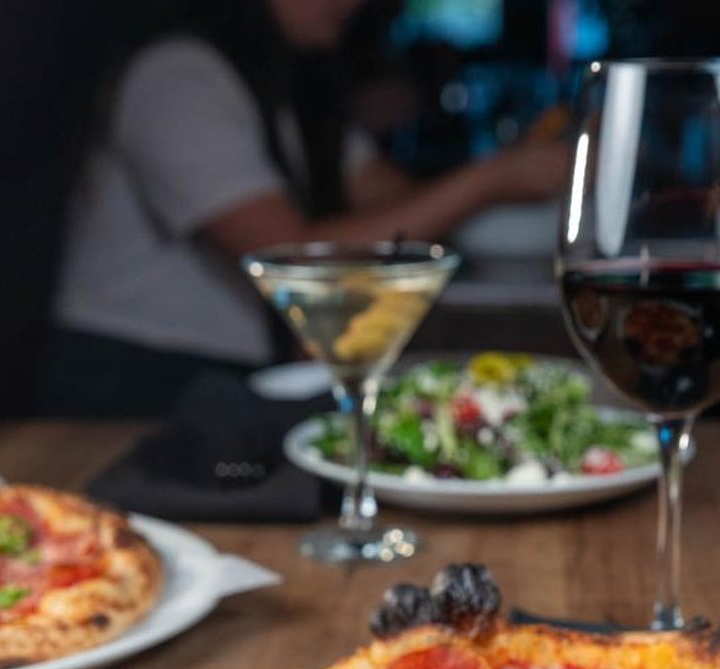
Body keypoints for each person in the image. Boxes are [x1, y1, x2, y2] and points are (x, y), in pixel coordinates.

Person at [43, 0, 568, 416]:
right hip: (132, 388)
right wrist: (491, 180)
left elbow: (394, 199)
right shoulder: (175, 78)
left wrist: (501, 173)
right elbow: (287, 258)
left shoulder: (285, 87)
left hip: (236, 380)